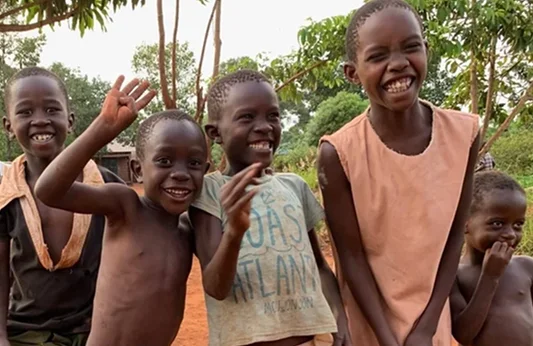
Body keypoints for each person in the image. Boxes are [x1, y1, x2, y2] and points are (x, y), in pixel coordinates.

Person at [317, 1, 480, 345]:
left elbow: (454, 237)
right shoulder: (338, 153)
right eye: (377, 57)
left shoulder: (464, 134)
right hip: (369, 326)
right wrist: (389, 340)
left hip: (432, 325)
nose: (398, 64)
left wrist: (426, 326)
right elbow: (352, 257)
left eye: (411, 47)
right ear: (352, 73)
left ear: (426, 50)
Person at [34, 76, 207, 346]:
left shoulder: (190, 230)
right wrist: (102, 130)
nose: (181, 174)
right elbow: (48, 191)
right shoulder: (126, 207)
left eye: (194, 163)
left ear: (205, 171)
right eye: (164, 161)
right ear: (138, 168)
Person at [190, 69, 349, 346]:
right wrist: (234, 233)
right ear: (215, 133)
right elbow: (215, 287)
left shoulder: (294, 186)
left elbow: (320, 266)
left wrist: (341, 320)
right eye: (247, 117)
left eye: (273, 116)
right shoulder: (210, 192)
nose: (265, 126)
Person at [0, 67, 124, 346]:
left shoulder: (106, 186)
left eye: (52, 110)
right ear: (8, 126)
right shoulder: (4, 196)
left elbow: (129, 259)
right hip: (24, 330)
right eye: (25, 112)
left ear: (70, 122)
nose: (40, 120)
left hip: (94, 330)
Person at [450, 171, 533, 346]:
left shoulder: (527, 267)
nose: (510, 234)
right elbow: (463, 335)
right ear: (465, 222)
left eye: (518, 224)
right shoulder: (454, 276)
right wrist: (490, 277)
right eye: (497, 223)